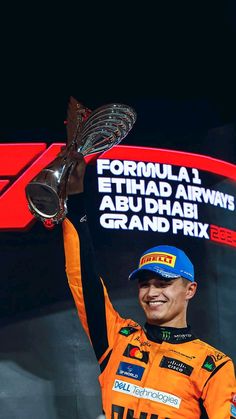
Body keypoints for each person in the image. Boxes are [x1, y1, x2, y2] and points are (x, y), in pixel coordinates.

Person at [62, 152, 236, 419]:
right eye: (145, 284)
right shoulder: (117, 340)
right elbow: (82, 279)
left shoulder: (213, 366)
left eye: (164, 283)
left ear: (190, 290)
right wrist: (75, 200)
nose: (152, 293)